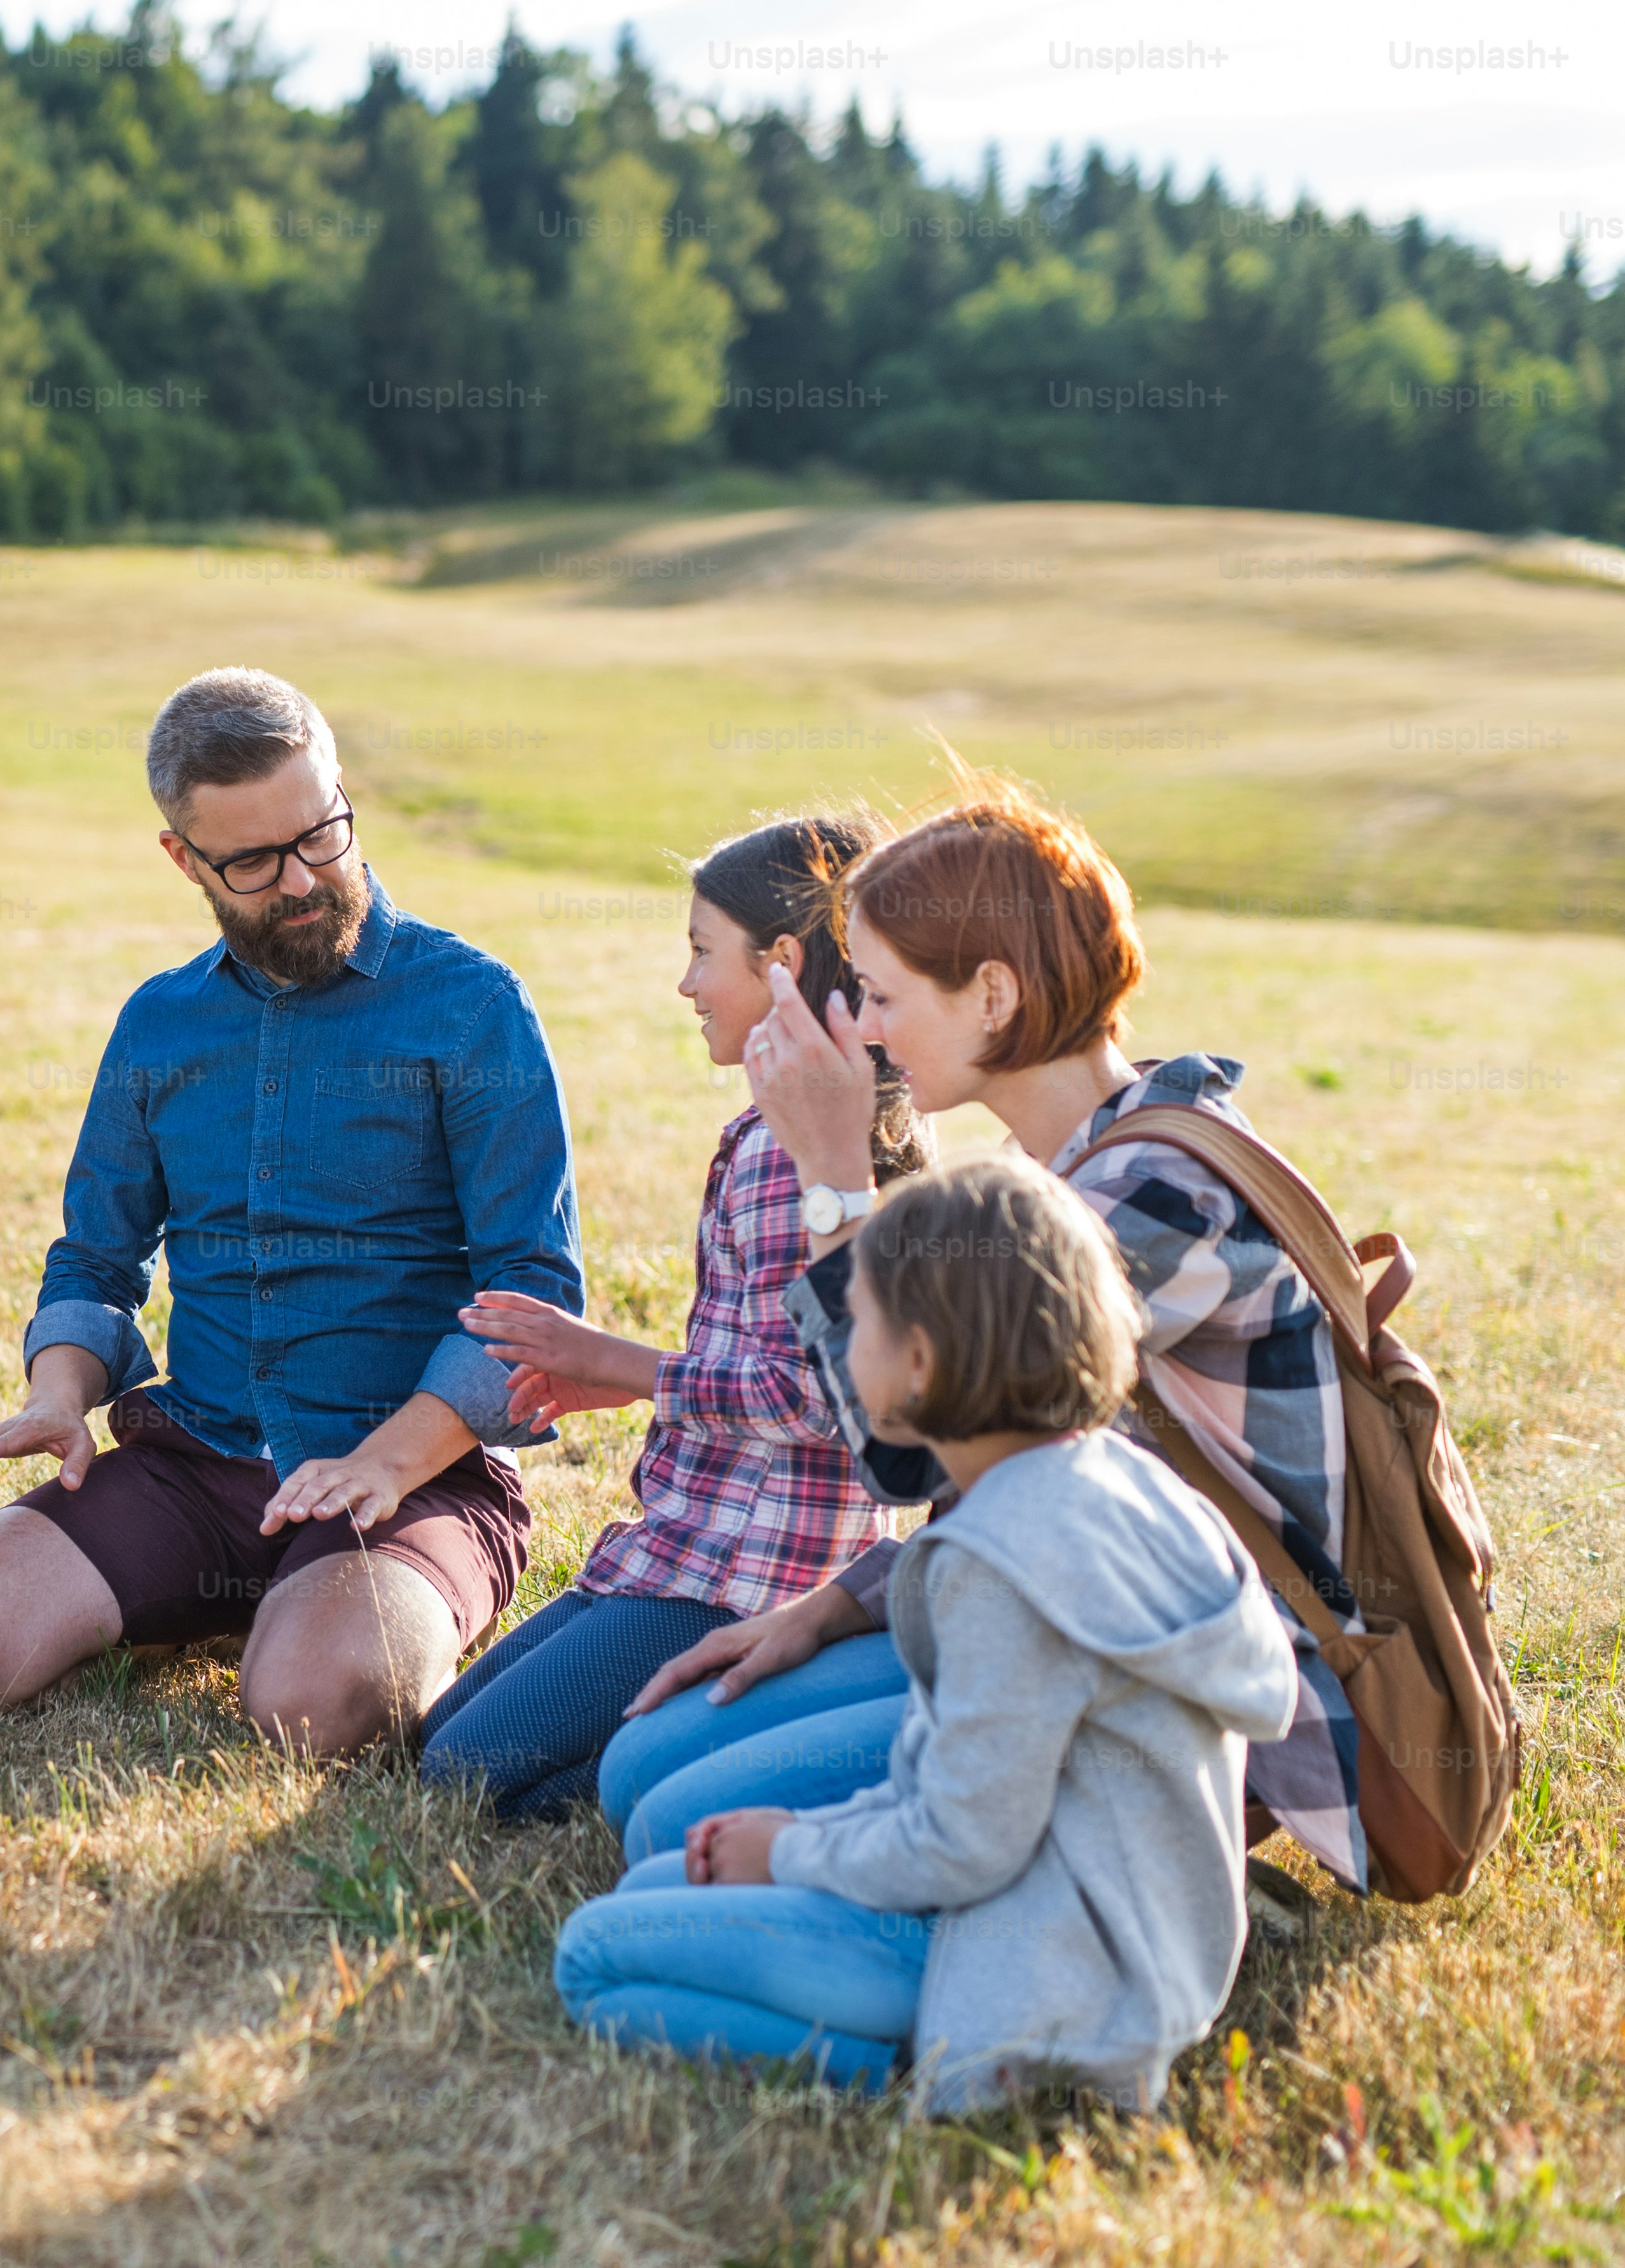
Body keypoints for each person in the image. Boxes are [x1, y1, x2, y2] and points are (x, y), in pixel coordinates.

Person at [599, 777, 1376, 1893]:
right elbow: (1006, 1496)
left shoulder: (1158, 1194)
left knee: (670, 1814)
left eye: (877, 994)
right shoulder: (1079, 1163)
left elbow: (907, 1442)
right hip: (1058, 1622)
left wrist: (833, 1175)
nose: (859, 1026)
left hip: (1201, 1701)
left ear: (993, 995)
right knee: (641, 1776)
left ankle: (1146, 1865)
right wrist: (831, 1607)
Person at [0, 666, 579, 1755]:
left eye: (322, 835)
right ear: (183, 858)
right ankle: (250, 1596)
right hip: (197, 1462)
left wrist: (385, 1463)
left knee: (307, 1709)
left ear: (341, 796)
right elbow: (94, 1261)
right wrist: (62, 1389)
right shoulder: (158, 1024)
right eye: (253, 860)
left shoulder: (474, 1005)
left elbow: (529, 1287)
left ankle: (329, 1606)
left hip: (406, 1472)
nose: (303, 879)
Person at [551, 1154, 1298, 2109]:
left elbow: (959, 1846)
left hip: (1033, 1965)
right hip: (1107, 1932)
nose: (834, 1338)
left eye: (854, 1317)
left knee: (595, 1955)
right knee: (658, 1880)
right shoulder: (1113, 1479)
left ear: (918, 1362)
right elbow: (945, 1784)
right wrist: (798, 1834)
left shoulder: (998, 1563)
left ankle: (939, 2067)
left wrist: (785, 1851)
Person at [416, 815, 923, 1816]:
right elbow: (754, 1358)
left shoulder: (801, 1155)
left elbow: (812, 1397)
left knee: (462, 1779)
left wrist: (609, 1354)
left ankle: (728, 1742)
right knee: (435, 1743)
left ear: (779, 963)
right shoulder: (776, 1129)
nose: (683, 984)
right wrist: (605, 1380)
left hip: (740, 1574)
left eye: (700, 952)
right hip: (689, 1538)